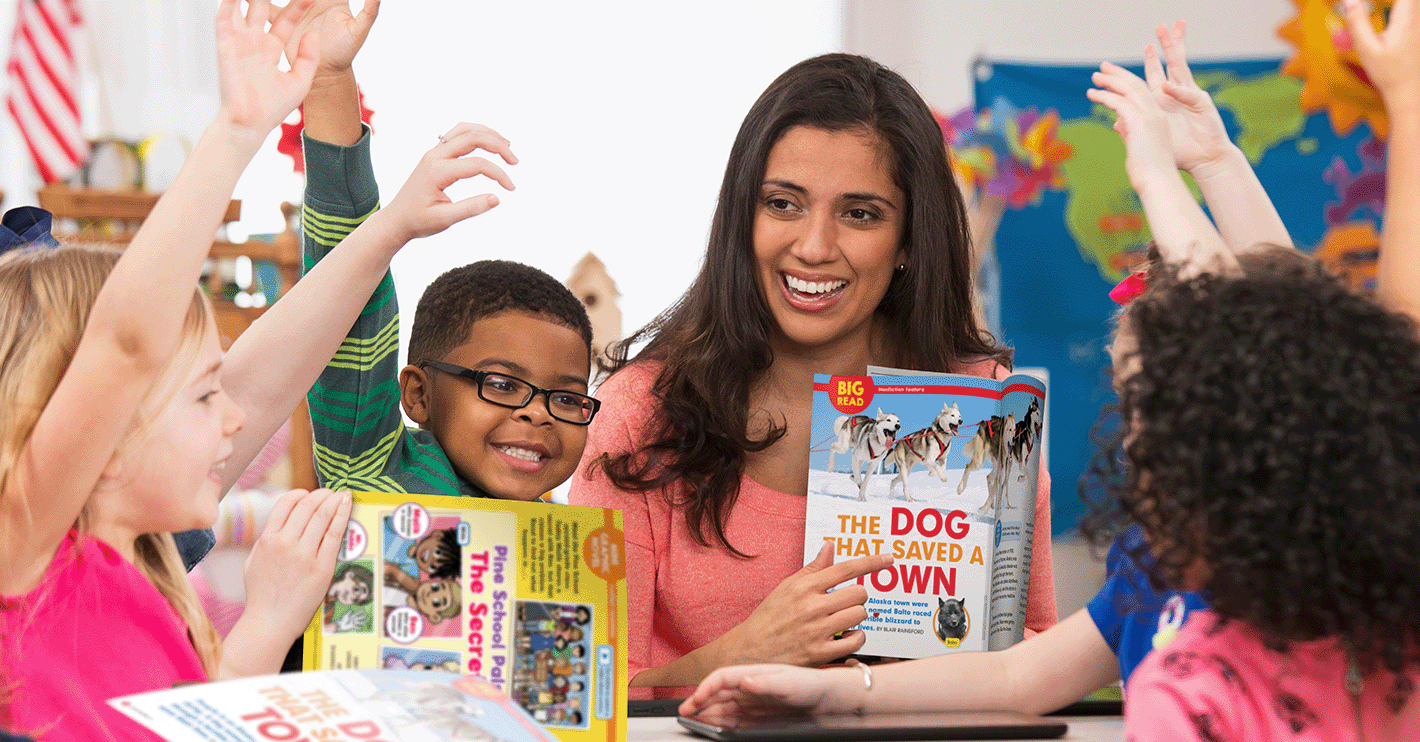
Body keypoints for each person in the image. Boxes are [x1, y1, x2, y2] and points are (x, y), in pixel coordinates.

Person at [678, 20, 1311, 718]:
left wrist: (1190, 171)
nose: (1140, 430)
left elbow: (1285, 353)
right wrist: (831, 688)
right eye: (1132, 398)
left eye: (1169, 399)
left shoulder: (1297, 554)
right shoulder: (1151, 568)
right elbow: (1016, 678)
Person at [569, 53, 1057, 692]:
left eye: (860, 214)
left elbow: (1041, 657)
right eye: (783, 204)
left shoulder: (983, 404)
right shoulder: (639, 411)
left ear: (909, 239)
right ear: (742, 216)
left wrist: (938, 662)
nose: (814, 247)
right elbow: (588, 691)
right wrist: (745, 654)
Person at [292, 1, 600, 503]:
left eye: (566, 398)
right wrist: (328, 78)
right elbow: (347, 286)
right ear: (419, 395)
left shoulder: (561, 529)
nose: (538, 413)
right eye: (502, 384)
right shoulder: (376, 467)